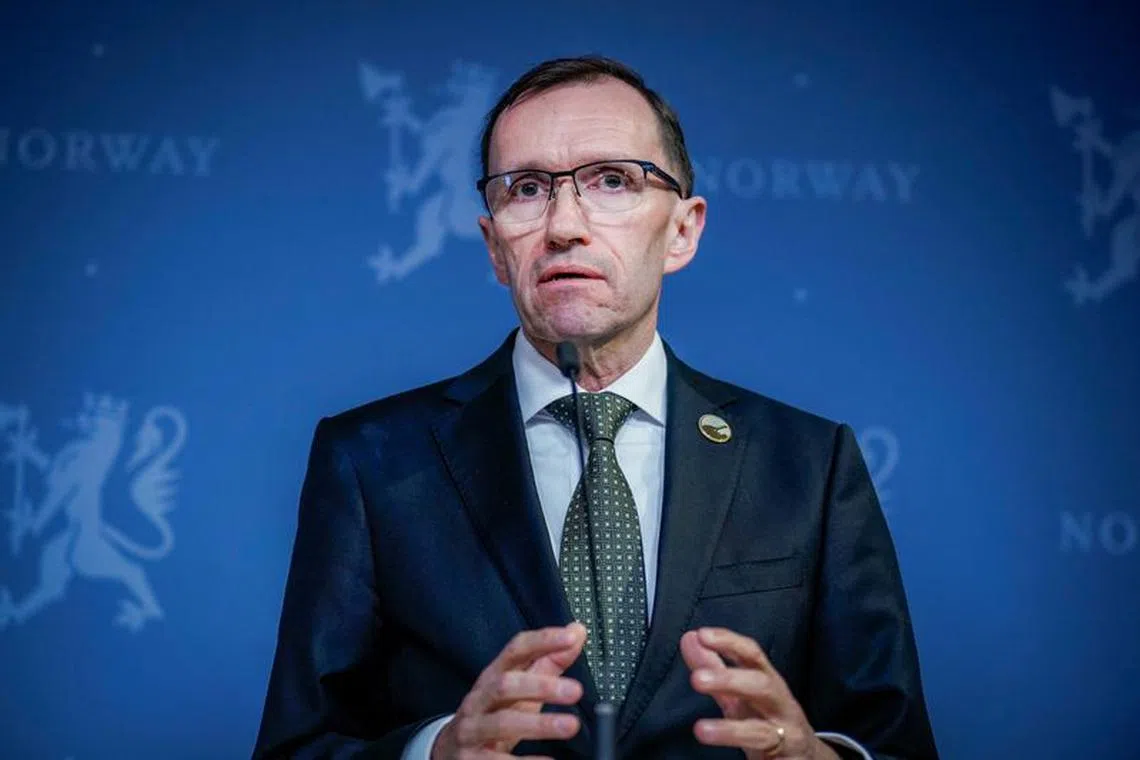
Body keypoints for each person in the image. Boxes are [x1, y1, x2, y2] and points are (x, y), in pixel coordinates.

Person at [252, 56, 940, 760]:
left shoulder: (810, 465)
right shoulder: (370, 461)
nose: (564, 226)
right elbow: (295, 748)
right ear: (494, 247)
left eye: (612, 180)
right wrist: (434, 753)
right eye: (526, 189)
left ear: (682, 231)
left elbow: (894, 742)